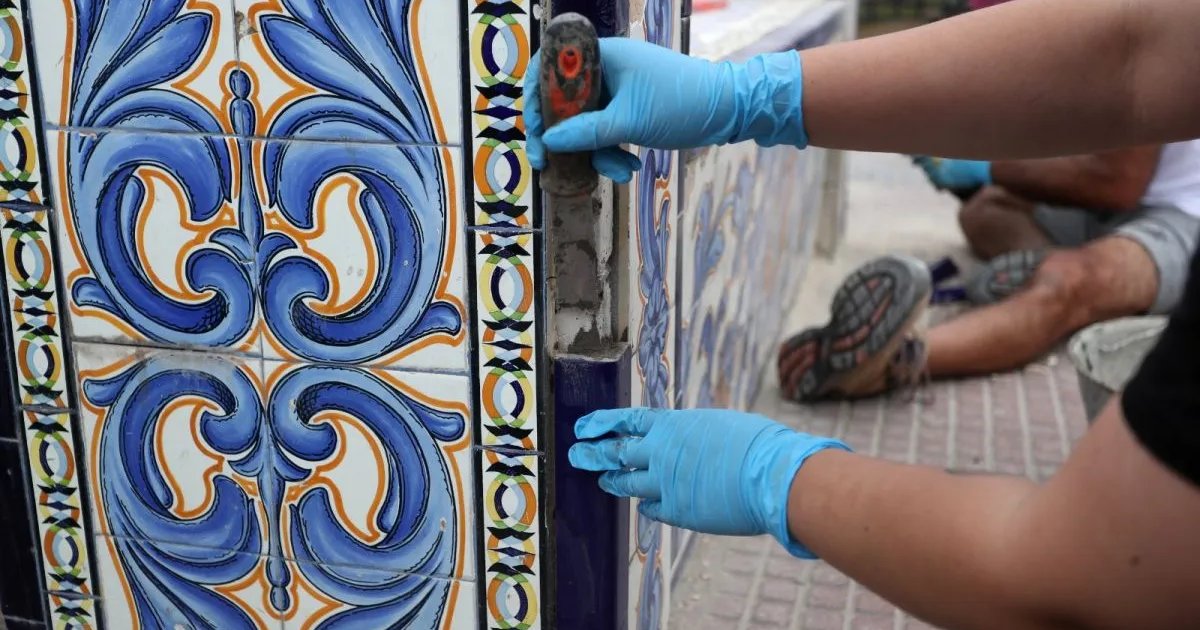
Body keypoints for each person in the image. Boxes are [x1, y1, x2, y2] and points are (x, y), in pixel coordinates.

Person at [524, 0, 1200, 627]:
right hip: (1076, 214)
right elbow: (1133, 56)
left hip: (1168, 223)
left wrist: (779, 477)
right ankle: (990, 299)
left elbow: (1076, 582)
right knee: (996, 223)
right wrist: (743, 95)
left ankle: (913, 354)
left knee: (1072, 284)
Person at [774, 140, 1200, 402]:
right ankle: (1051, 279)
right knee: (985, 212)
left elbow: (1116, 182)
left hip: (1181, 215)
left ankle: (896, 362)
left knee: (1073, 282)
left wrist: (987, 165)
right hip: (1104, 205)